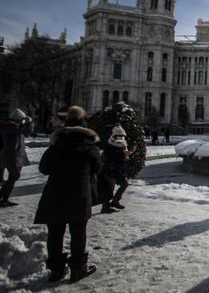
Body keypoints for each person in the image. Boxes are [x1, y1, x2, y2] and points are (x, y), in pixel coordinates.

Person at [34, 106, 101, 282]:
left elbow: (44, 168)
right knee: (78, 232)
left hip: (55, 193)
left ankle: (56, 270)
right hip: (79, 194)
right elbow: (97, 168)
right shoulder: (90, 146)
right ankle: (78, 269)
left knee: (55, 232)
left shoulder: (56, 146)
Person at [0, 108, 32, 207]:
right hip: (12, 156)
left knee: (13, 177)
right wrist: (29, 122)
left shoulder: (14, 127)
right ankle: (2, 198)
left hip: (16, 155)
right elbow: (27, 132)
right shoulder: (11, 127)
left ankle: (4, 199)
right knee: (15, 176)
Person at [101, 125, 133, 213]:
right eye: (118, 136)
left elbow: (122, 156)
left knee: (124, 184)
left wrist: (126, 155)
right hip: (110, 169)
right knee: (108, 188)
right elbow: (110, 157)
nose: (120, 138)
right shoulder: (109, 145)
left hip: (119, 169)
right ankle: (105, 207)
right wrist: (123, 155)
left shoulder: (123, 144)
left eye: (122, 136)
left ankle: (115, 201)